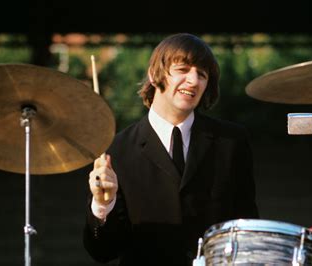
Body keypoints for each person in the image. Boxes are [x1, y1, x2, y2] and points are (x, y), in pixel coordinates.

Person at [83, 33, 259, 265]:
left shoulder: (232, 141)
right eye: (183, 69)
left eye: (202, 74)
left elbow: (248, 228)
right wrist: (102, 206)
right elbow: (102, 252)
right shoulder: (116, 150)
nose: (194, 80)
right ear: (154, 75)